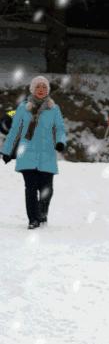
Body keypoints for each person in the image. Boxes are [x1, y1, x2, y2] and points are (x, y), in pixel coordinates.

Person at [1, 76, 67, 229]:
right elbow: (14, 131)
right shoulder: (23, 108)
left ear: (48, 90)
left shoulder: (54, 109)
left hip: (47, 154)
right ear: (32, 89)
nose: (41, 90)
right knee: (30, 188)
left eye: (44, 87)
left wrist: (60, 142)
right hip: (27, 154)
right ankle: (33, 219)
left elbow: (60, 129)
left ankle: (42, 212)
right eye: (38, 87)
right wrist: (6, 151)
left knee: (47, 189)